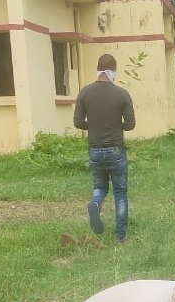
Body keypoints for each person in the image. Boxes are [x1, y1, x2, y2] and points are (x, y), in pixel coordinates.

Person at [74, 53, 136, 244]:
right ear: (113, 70)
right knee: (120, 193)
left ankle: (96, 203)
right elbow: (131, 124)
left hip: (95, 150)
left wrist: (92, 125)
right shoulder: (122, 94)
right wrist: (118, 126)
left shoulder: (84, 93)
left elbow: (77, 122)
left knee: (100, 187)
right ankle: (120, 237)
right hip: (116, 150)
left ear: (98, 69)